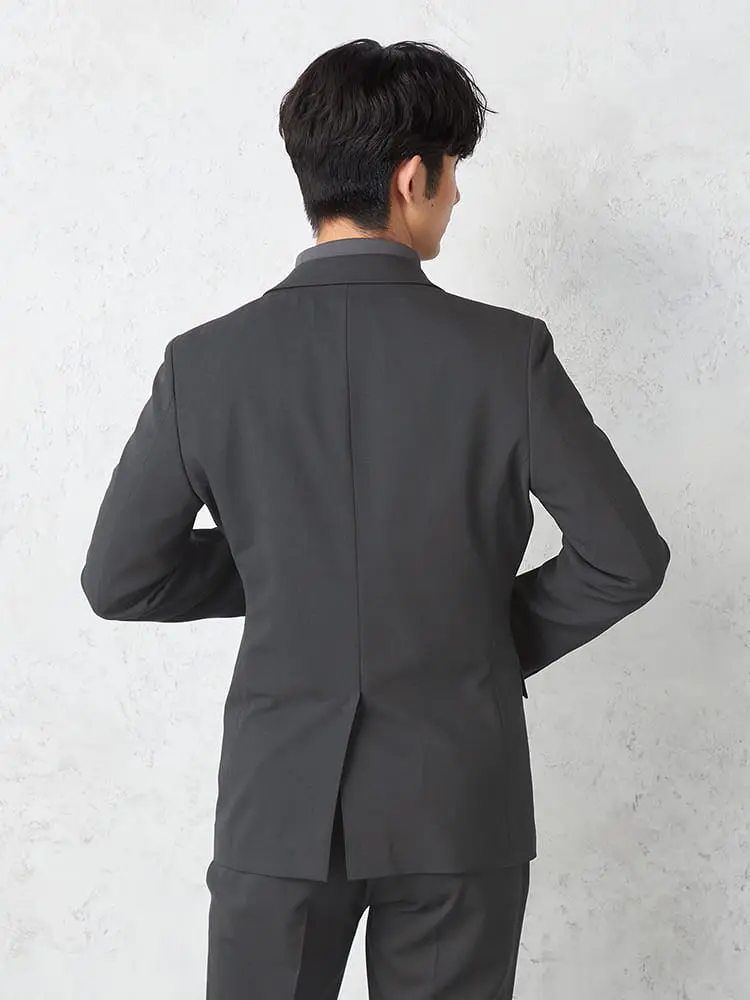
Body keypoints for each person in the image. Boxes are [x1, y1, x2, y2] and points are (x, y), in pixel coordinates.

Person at [80, 37, 670, 1000]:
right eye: (453, 172)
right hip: (457, 798)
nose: (457, 196)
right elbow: (626, 559)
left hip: (279, 806)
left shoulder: (205, 364)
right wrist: (475, 636)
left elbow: (120, 578)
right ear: (410, 179)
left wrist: (290, 570)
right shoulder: (506, 354)